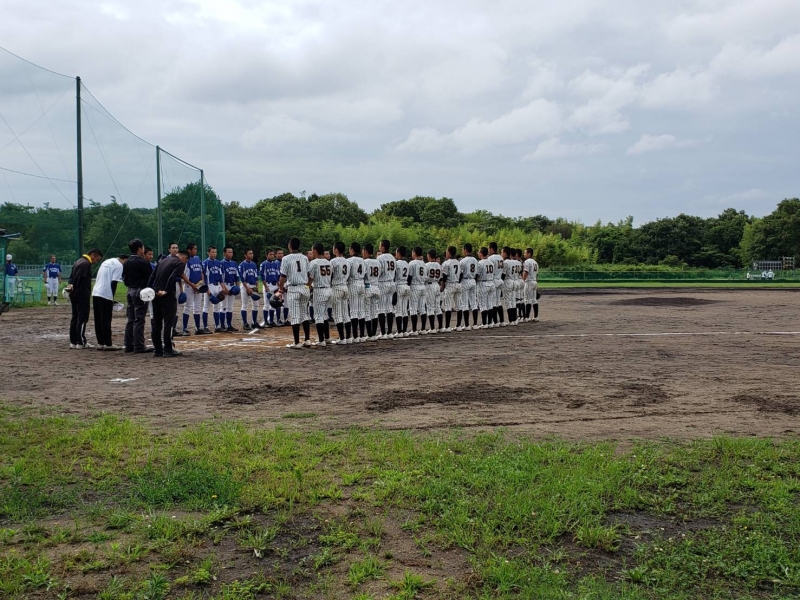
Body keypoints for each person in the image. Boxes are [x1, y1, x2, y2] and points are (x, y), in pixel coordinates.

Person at [148, 249, 189, 357]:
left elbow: (152, 275)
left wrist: (149, 288)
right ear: (184, 258)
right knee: (168, 323)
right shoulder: (179, 263)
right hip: (167, 295)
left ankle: (158, 350)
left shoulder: (163, 260)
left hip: (156, 293)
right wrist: (165, 290)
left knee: (156, 323)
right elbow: (172, 276)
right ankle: (168, 349)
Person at [66, 248, 103, 349]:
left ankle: (73, 342)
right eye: (97, 259)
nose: (96, 262)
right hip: (82, 295)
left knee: (75, 317)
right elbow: (79, 277)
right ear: (93, 255)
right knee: (82, 318)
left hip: (74, 294)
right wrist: (74, 286)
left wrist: (70, 285)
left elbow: (71, 277)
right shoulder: (86, 264)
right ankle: (81, 342)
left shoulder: (78, 261)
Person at [278, 237, 311, 348]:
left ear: (290, 246)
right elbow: (310, 274)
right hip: (304, 287)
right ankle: (307, 340)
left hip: (293, 288)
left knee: (295, 316)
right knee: (304, 314)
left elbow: (283, 277)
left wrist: (280, 289)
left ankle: (296, 342)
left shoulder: (286, 258)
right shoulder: (305, 258)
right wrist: (308, 285)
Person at [123, 239, 155, 354]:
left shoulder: (127, 261)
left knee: (131, 319)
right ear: (139, 249)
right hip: (140, 291)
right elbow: (151, 278)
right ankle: (139, 345)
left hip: (130, 290)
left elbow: (125, 278)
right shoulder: (143, 262)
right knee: (139, 319)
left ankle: (128, 344)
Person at [91, 253, 128, 350]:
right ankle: (108, 344)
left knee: (98, 319)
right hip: (105, 294)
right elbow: (114, 283)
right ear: (125, 260)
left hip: (96, 292)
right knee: (106, 319)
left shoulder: (107, 261)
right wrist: (111, 297)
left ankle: (100, 342)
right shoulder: (119, 265)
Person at [308, 243, 332, 346]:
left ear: (315, 251)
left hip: (319, 290)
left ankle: (321, 340)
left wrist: (307, 287)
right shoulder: (328, 262)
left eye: (312, 250)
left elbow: (310, 277)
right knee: (325, 314)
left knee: (318, 316)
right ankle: (327, 338)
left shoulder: (314, 262)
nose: (312, 252)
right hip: (328, 289)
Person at [329, 242, 351, 344]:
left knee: (337, 314)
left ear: (336, 250)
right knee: (345, 314)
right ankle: (348, 337)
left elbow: (330, 275)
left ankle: (342, 338)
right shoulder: (347, 261)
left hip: (336, 287)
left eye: (334, 248)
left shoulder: (333, 261)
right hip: (345, 287)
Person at [182, 243, 205, 335]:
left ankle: (197, 328)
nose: (196, 250)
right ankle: (184, 328)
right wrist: (192, 285)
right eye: (194, 249)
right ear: (189, 250)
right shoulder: (186, 260)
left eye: (196, 249)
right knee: (188, 307)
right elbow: (183, 275)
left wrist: (201, 284)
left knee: (197, 307)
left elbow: (201, 272)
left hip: (198, 285)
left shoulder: (198, 258)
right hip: (189, 286)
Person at [376, 240, 397, 339]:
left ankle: (383, 333)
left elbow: (379, 272)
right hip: (391, 283)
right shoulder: (393, 257)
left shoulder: (380, 258)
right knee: (389, 308)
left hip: (383, 283)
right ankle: (389, 332)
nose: (379, 247)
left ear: (383, 247)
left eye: (380, 245)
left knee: (381, 308)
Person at [201, 245, 224, 333]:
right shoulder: (205, 263)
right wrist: (207, 290)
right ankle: (205, 327)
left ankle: (217, 326)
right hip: (209, 285)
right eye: (212, 252)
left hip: (217, 286)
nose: (214, 254)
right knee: (206, 307)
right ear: (208, 253)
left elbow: (221, 277)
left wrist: (222, 288)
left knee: (217, 307)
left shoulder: (219, 263)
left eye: (215, 252)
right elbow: (203, 278)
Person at [347, 242, 366, 342]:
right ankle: (362, 335)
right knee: (361, 311)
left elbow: (346, 274)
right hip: (362, 283)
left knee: (353, 311)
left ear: (352, 249)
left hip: (353, 284)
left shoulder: (349, 260)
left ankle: (355, 336)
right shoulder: (363, 260)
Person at [238, 248, 261, 330]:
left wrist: (257, 286)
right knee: (245, 304)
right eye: (249, 253)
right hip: (245, 285)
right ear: (245, 255)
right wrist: (247, 288)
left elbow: (256, 277)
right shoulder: (242, 265)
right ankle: (245, 323)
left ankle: (254, 322)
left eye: (252, 253)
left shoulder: (254, 264)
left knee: (256, 305)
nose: (251, 255)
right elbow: (242, 278)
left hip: (253, 285)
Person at [441, 246, 462, 332]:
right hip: (458, 284)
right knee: (459, 306)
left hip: (450, 284)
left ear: (449, 253)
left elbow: (444, 276)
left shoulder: (446, 263)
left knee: (448, 306)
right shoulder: (458, 262)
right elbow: (461, 274)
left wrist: (443, 285)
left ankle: (447, 327)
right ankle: (459, 326)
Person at [362, 243, 381, 341]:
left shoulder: (364, 262)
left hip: (368, 287)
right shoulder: (377, 262)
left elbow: (362, 275)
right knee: (374, 312)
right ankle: (373, 334)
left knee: (367, 312)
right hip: (376, 287)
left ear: (365, 251)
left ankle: (369, 335)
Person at [407, 246, 427, 336]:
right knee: (422, 309)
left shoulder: (412, 263)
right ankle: (423, 329)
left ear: (414, 253)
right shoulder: (424, 263)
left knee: (413, 309)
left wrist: (408, 285)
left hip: (415, 286)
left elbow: (409, 277)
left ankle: (414, 329)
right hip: (423, 286)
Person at [460, 243, 480, 330]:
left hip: (465, 280)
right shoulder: (475, 260)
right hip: (473, 280)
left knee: (465, 303)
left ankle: (467, 325)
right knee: (474, 303)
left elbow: (460, 274)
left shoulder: (463, 261)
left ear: (465, 250)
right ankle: (475, 324)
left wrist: (459, 282)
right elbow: (477, 273)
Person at [260, 249, 281, 326]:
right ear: (266, 255)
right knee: (266, 304)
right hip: (268, 285)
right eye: (270, 254)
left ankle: (271, 321)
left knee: (273, 303)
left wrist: (279, 285)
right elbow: (262, 276)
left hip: (275, 285)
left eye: (273, 254)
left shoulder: (276, 264)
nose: (272, 256)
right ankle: (266, 322)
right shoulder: (263, 264)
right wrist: (265, 286)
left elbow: (278, 275)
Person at [477, 247, 497, 328]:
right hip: (491, 283)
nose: (478, 253)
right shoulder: (491, 262)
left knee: (483, 304)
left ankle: (484, 323)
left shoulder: (480, 263)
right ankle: (490, 322)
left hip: (483, 283)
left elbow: (477, 275)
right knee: (490, 304)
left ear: (481, 253)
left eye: (479, 252)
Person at [221, 246, 240, 332]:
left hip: (232, 286)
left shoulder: (234, 263)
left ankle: (229, 325)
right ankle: (222, 326)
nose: (231, 254)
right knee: (223, 306)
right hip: (225, 285)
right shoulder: (221, 263)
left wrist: (237, 287)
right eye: (229, 252)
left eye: (231, 252)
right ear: (224, 253)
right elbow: (221, 278)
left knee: (230, 307)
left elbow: (237, 277)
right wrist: (224, 288)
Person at [424, 249, 442, 334]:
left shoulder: (426, 265)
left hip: (430, 285)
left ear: (429, 256)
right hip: (437, 285)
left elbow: (424, 277)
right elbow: (441, 277)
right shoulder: (439, 265)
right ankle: (441, 327)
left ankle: (432, 328)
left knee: (430, 307)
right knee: (437, 307)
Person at [394, 247, 410, 337]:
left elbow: (394, 275)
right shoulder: (407, 264)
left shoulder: (396, 263)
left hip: (399, 286)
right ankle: (404, 331)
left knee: (398, 310)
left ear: (399, 253)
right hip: (406, 285)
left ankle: (399, 331)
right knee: (404, 310)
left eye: (396, 252)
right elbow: (409, 277)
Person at [522, 247, 539, 322]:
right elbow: (537, 274)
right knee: (534, 300)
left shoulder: (527, 262)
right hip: (534, 281)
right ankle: (536, 316)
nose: (524, 254)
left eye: (525, 253)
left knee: (527, 300)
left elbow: (526, 272)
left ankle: (527, 317)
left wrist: (522, 281)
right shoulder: (535, 262)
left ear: (529, 254)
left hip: (529, 282)